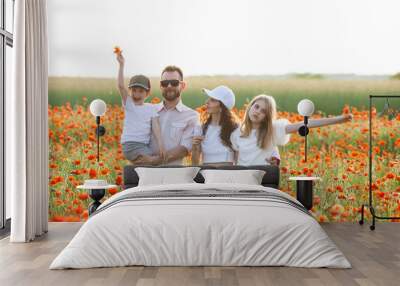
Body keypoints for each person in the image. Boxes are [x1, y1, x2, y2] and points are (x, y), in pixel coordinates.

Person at [231, 94, 353, 166]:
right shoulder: (236, 133)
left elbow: (305, 123)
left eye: (263, 111)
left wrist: (338, 119)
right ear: (250, 107)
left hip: (262, 181)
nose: (257, 111)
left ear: (267, 117)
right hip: (241, 180)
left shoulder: (272, 130)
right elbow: (234, 162)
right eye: (256, 107)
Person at [132, 65, 200, 166]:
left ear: (183, 86)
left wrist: (154, 161)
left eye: (174, 83)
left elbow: (184, 149)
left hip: (173, 176)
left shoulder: (191, 116)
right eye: (164, 83)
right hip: (145, 174)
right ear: (160, 86)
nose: (169, 86)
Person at [116, 52, 165, 165]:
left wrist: (161, 145)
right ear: (130, 91)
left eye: (141, 91)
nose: (137, 94)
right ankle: (146, 161)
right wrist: (121, 65)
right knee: (155, 161)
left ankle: (136, 171)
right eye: (134, 90)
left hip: (143, 145)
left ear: (147, 93)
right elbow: (120, 86)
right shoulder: (129, 104)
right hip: (130, 144)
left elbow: (156, 128)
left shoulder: (151, 108)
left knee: (145, 165)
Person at [191, 86, 239, 166]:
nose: (207, 102)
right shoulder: (201, 129)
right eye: (209, 99)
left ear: (222, 107)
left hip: (227, 176)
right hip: (206, 176)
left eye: (212, 100)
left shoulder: (234, 129)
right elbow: (195, 165)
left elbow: (238, 163)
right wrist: (195, 147)